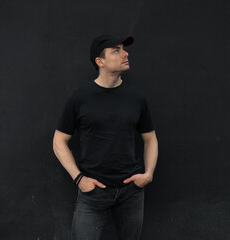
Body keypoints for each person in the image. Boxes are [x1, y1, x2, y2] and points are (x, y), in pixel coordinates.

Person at [52, 34, 159, 240]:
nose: (125, 54)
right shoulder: (79, 97)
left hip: (131, 191)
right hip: (93, 193)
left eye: (124, 49)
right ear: (100, 61)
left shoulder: (137, 98)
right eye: (116, 51)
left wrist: (148, 174)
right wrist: (79, 178)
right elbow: (59, 141)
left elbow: (150, 138)